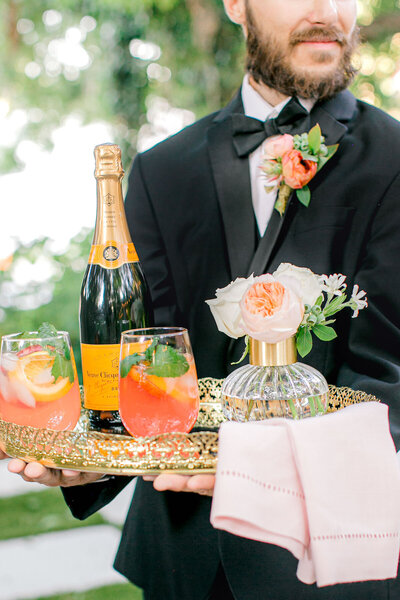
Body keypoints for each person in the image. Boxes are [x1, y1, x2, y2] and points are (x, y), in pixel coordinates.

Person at [3, 0, 400, 598]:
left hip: (333, 561)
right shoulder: (162, 169)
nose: (328, 11)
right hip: (182, 558)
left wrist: (259, 467)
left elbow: (389, 374)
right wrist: (96, 455)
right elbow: (145, 358)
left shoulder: (396, 160)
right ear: (236, 5)